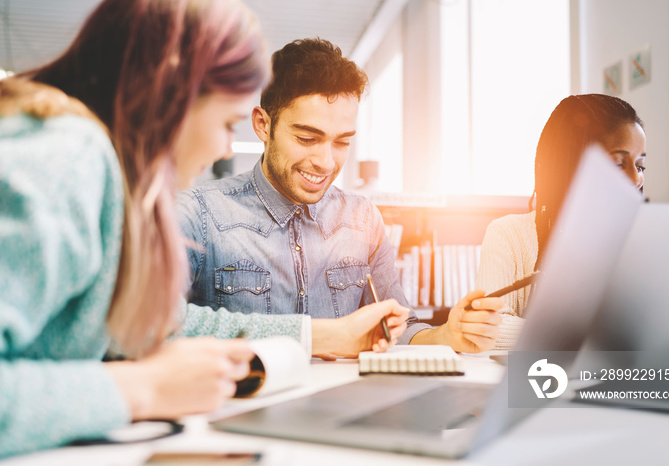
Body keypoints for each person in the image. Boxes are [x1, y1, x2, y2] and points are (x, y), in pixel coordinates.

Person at [0, 0, 408, 458]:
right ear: (169, 95)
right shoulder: (68, 158)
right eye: (225, 123)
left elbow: (147, 327)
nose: (221, 147)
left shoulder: (107, 176)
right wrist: (144, 387)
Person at [178, 38, 503, 356]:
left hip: (343, 407)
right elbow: (154, 327)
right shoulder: (198, 214)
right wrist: (319, 337)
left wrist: (448, 334)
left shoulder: (363, 220)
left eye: (342, 142)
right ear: (263, 125)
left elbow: (397, 333)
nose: (326, 162)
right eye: (307, 138)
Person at [476, 94, 647, 349]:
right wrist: (587, 337)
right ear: (573, 164)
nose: (636, 179)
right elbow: (491, 326)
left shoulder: (642, 241)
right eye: (619, 163)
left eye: (641, 165)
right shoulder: (507, 234)